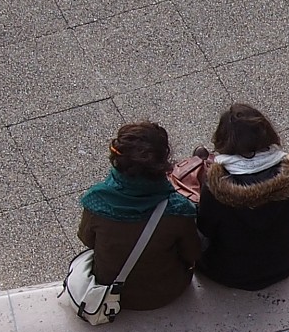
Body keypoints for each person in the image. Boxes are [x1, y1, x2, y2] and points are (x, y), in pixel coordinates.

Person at [76, 121, 202, 311]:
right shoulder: (178, 209)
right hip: (167, 291)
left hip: (113, 293)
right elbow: (192, 253)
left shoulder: (97, 200)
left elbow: (86, 239)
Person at [189, 103, 289, 291]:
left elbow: (205, 230)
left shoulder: (215, 187)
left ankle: (198, 162)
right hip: (284, 263)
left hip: (227, 272)